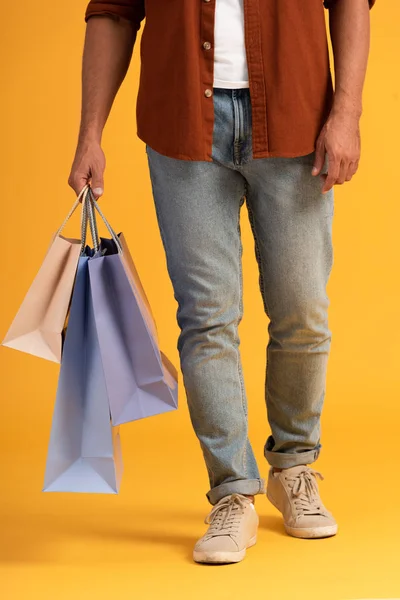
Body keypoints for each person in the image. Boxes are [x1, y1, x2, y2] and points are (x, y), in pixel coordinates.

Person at [68, 0, 374, 565]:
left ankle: (294, 466)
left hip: (297, 114)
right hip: (183, 123)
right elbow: (112, 12)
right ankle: (232, 491)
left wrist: (347, 112)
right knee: (206, 318)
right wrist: (90, 133)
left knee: (302, 310)